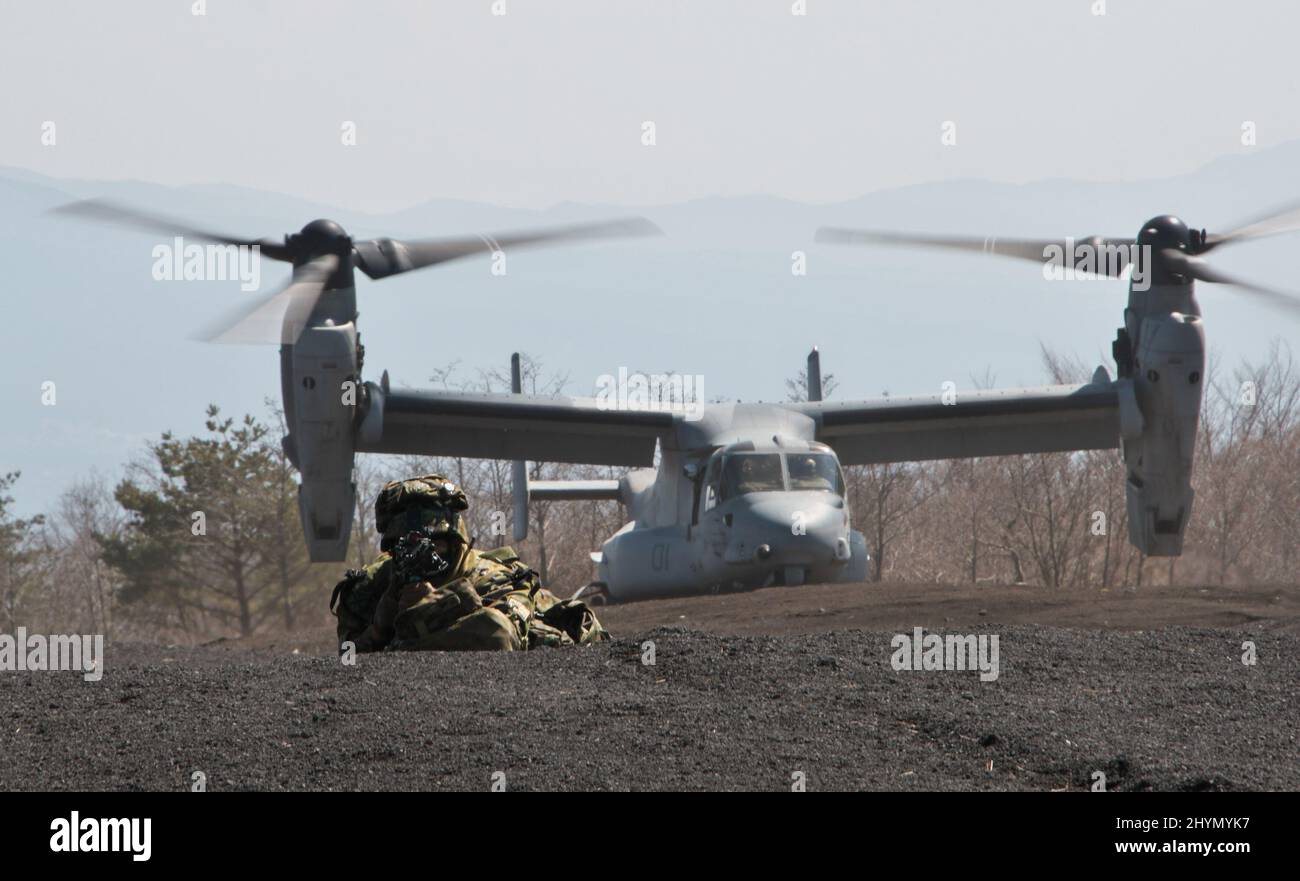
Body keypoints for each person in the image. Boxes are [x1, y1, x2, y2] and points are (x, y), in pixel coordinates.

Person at [330, 474, 608, 652]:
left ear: (456, 541)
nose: (421, 556)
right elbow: (348, 658)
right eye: (406, 546)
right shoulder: (371, 587)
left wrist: (434, 609)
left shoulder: (496, 579)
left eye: (434, 544)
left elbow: (499, 637)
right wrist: (380, 627)